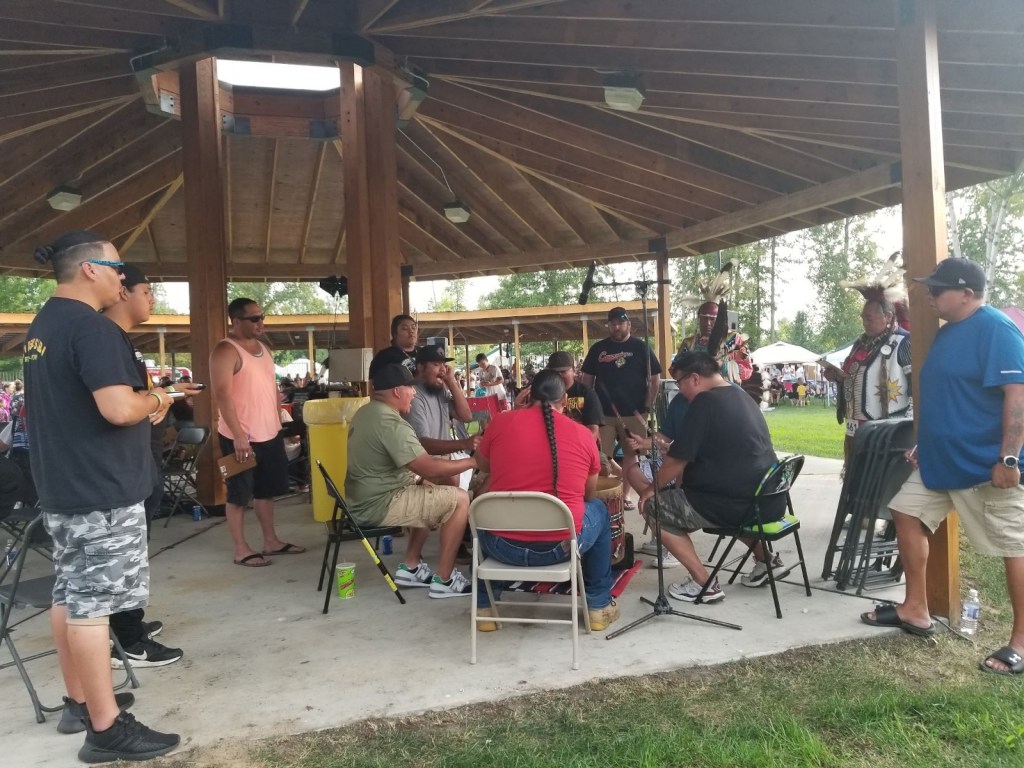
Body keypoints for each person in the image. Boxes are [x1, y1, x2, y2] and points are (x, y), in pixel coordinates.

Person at [24, 231, 180, 761]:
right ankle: (105, 728)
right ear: (89, 270)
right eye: (117, 267)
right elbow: (117, 408)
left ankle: (78, 701)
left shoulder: (45, 323)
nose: (122, 276)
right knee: (93, 608)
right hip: (100, 492)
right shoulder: (92, 329)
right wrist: (157, 396)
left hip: (65, 486)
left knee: (69, 597)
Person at [860, 258, 1024, 677]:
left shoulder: (996, 329)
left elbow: (1018, 397)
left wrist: (1008, 459)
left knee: (1014, 547)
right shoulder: (949, 332)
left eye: (938, 290)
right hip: (939, 461)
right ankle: (916, 609)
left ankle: (1021, 641)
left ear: (967, 293)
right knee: (904, 511)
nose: (930, 296)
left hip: (985, 466)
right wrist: (925, 442)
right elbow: (948, 395)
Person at [474, 369, 619, 631]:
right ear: (564, 401)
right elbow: (588, 495)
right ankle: (598, 606)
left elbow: (483, 465)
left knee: (484, 511)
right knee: (598, 508)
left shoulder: (500, 423)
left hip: (501, 546)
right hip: (560, 546)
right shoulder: (583, 435)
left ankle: (485, 606)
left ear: (529, 394)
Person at [105, 265, 199, 669]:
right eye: (147, 290)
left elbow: (139, 396)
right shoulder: (101, 338)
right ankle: (127, 638)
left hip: (140, 459)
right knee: (123, 557)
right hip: (119, 470)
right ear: (122, 292)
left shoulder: (120, 341)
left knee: (134, 552)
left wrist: (167, 395)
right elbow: (123, 405)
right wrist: (161, 398)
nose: (153, 298)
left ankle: (130, 625)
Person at [636, 352, 783, 603]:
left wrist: (652, 489)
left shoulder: (704, 402)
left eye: (680, 382)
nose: (680, 391)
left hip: (737, 503)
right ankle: (765, 560)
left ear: (694, 378)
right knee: (718, 501)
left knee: (653, 507)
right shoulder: (739, 394)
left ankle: (704, 583)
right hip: (768, 498)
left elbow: (676, 461)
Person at [344, 364, 477, 598]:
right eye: (410, 389)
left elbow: (419, 470)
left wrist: (423, 478)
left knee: (430, 486)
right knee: (460, 499)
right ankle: (445, 580)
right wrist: (474, 463)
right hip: (378, 503)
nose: (414, 394)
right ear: (397, 391)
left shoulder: (366, 412)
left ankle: (411, 566)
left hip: (363, 497)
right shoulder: (390, 423)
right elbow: (430, 468)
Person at [211, 298, 306, 568]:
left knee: (267, 491)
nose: (260, 322)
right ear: (236, 321)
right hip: (239, 437)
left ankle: (270, 541)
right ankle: (241, 549)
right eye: (254, 319)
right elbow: (222, 395)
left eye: (261, 317)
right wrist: (239, 435)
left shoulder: (265, 349)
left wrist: (279, 424)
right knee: (239, 494)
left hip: (270, 433)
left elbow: (272, 390)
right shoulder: (225, 350)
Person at [579, 306, 662, 508]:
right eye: (613, 323)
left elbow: (654, 379)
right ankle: (604, 493)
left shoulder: (641, 347)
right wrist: (587, 408)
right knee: (600, 456)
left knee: (631, 456)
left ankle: (624, 496)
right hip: (603, 414)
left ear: (629, 325)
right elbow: (586, 381)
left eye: (620, 323)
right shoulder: (598, 349)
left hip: (634, 413)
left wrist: (647, 405)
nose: (616, 327)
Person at [825, 294, 912, 463]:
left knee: (879, 480)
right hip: (856, 429)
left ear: (887, 317)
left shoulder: (903, 342)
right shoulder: (860, 344)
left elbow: (917, 387)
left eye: (869, 318)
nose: (865, 323)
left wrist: (908, 425)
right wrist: (838, 378)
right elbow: (857, 378)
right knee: (858, 480)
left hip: (888, 432)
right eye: (863, 318)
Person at [405, 345, 478, 488]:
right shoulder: (413, 394)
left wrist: (451, 382)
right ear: (420, 367)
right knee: (459, 491)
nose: (443, 369)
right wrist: (465, 443)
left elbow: (466, 416)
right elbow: (423, 444)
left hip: (444, 459)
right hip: (424, 466)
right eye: (436, 364)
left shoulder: (439, 391)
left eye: (444, 365)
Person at [368, 314, 420, 378]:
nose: (411, 331)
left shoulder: (424, 352)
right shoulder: (384, 356)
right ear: (395, 333)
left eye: (413, 328)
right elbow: (374, 383)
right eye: (405, 328)